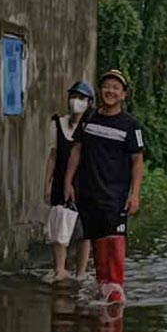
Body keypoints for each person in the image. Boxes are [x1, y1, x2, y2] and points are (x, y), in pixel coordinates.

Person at [63, 69, 144, 303]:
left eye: (116, 88)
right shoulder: (88, 118)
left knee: (115, 241)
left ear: (123, 95)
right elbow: (76, 151)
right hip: (89, 193)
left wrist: (134, 194)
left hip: (116, 194)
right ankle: (103, 285)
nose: (110, 91)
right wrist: (68, 182)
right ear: (100, 90)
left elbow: (137, 161)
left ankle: (116, 288)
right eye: (107, 86)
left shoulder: (131, 126)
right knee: (97, 239)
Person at [45, 80, 95, 282]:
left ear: (89, 102)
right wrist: (46, 184)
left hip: (84, 183)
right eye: (73, 97)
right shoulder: (57, 124)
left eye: (81, 98)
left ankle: (81, 272)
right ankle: (60, 270)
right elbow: (52, 156)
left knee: (84, 231)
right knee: (58, 227)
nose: (76, 101)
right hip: (60, 183)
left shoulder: (92, 126)